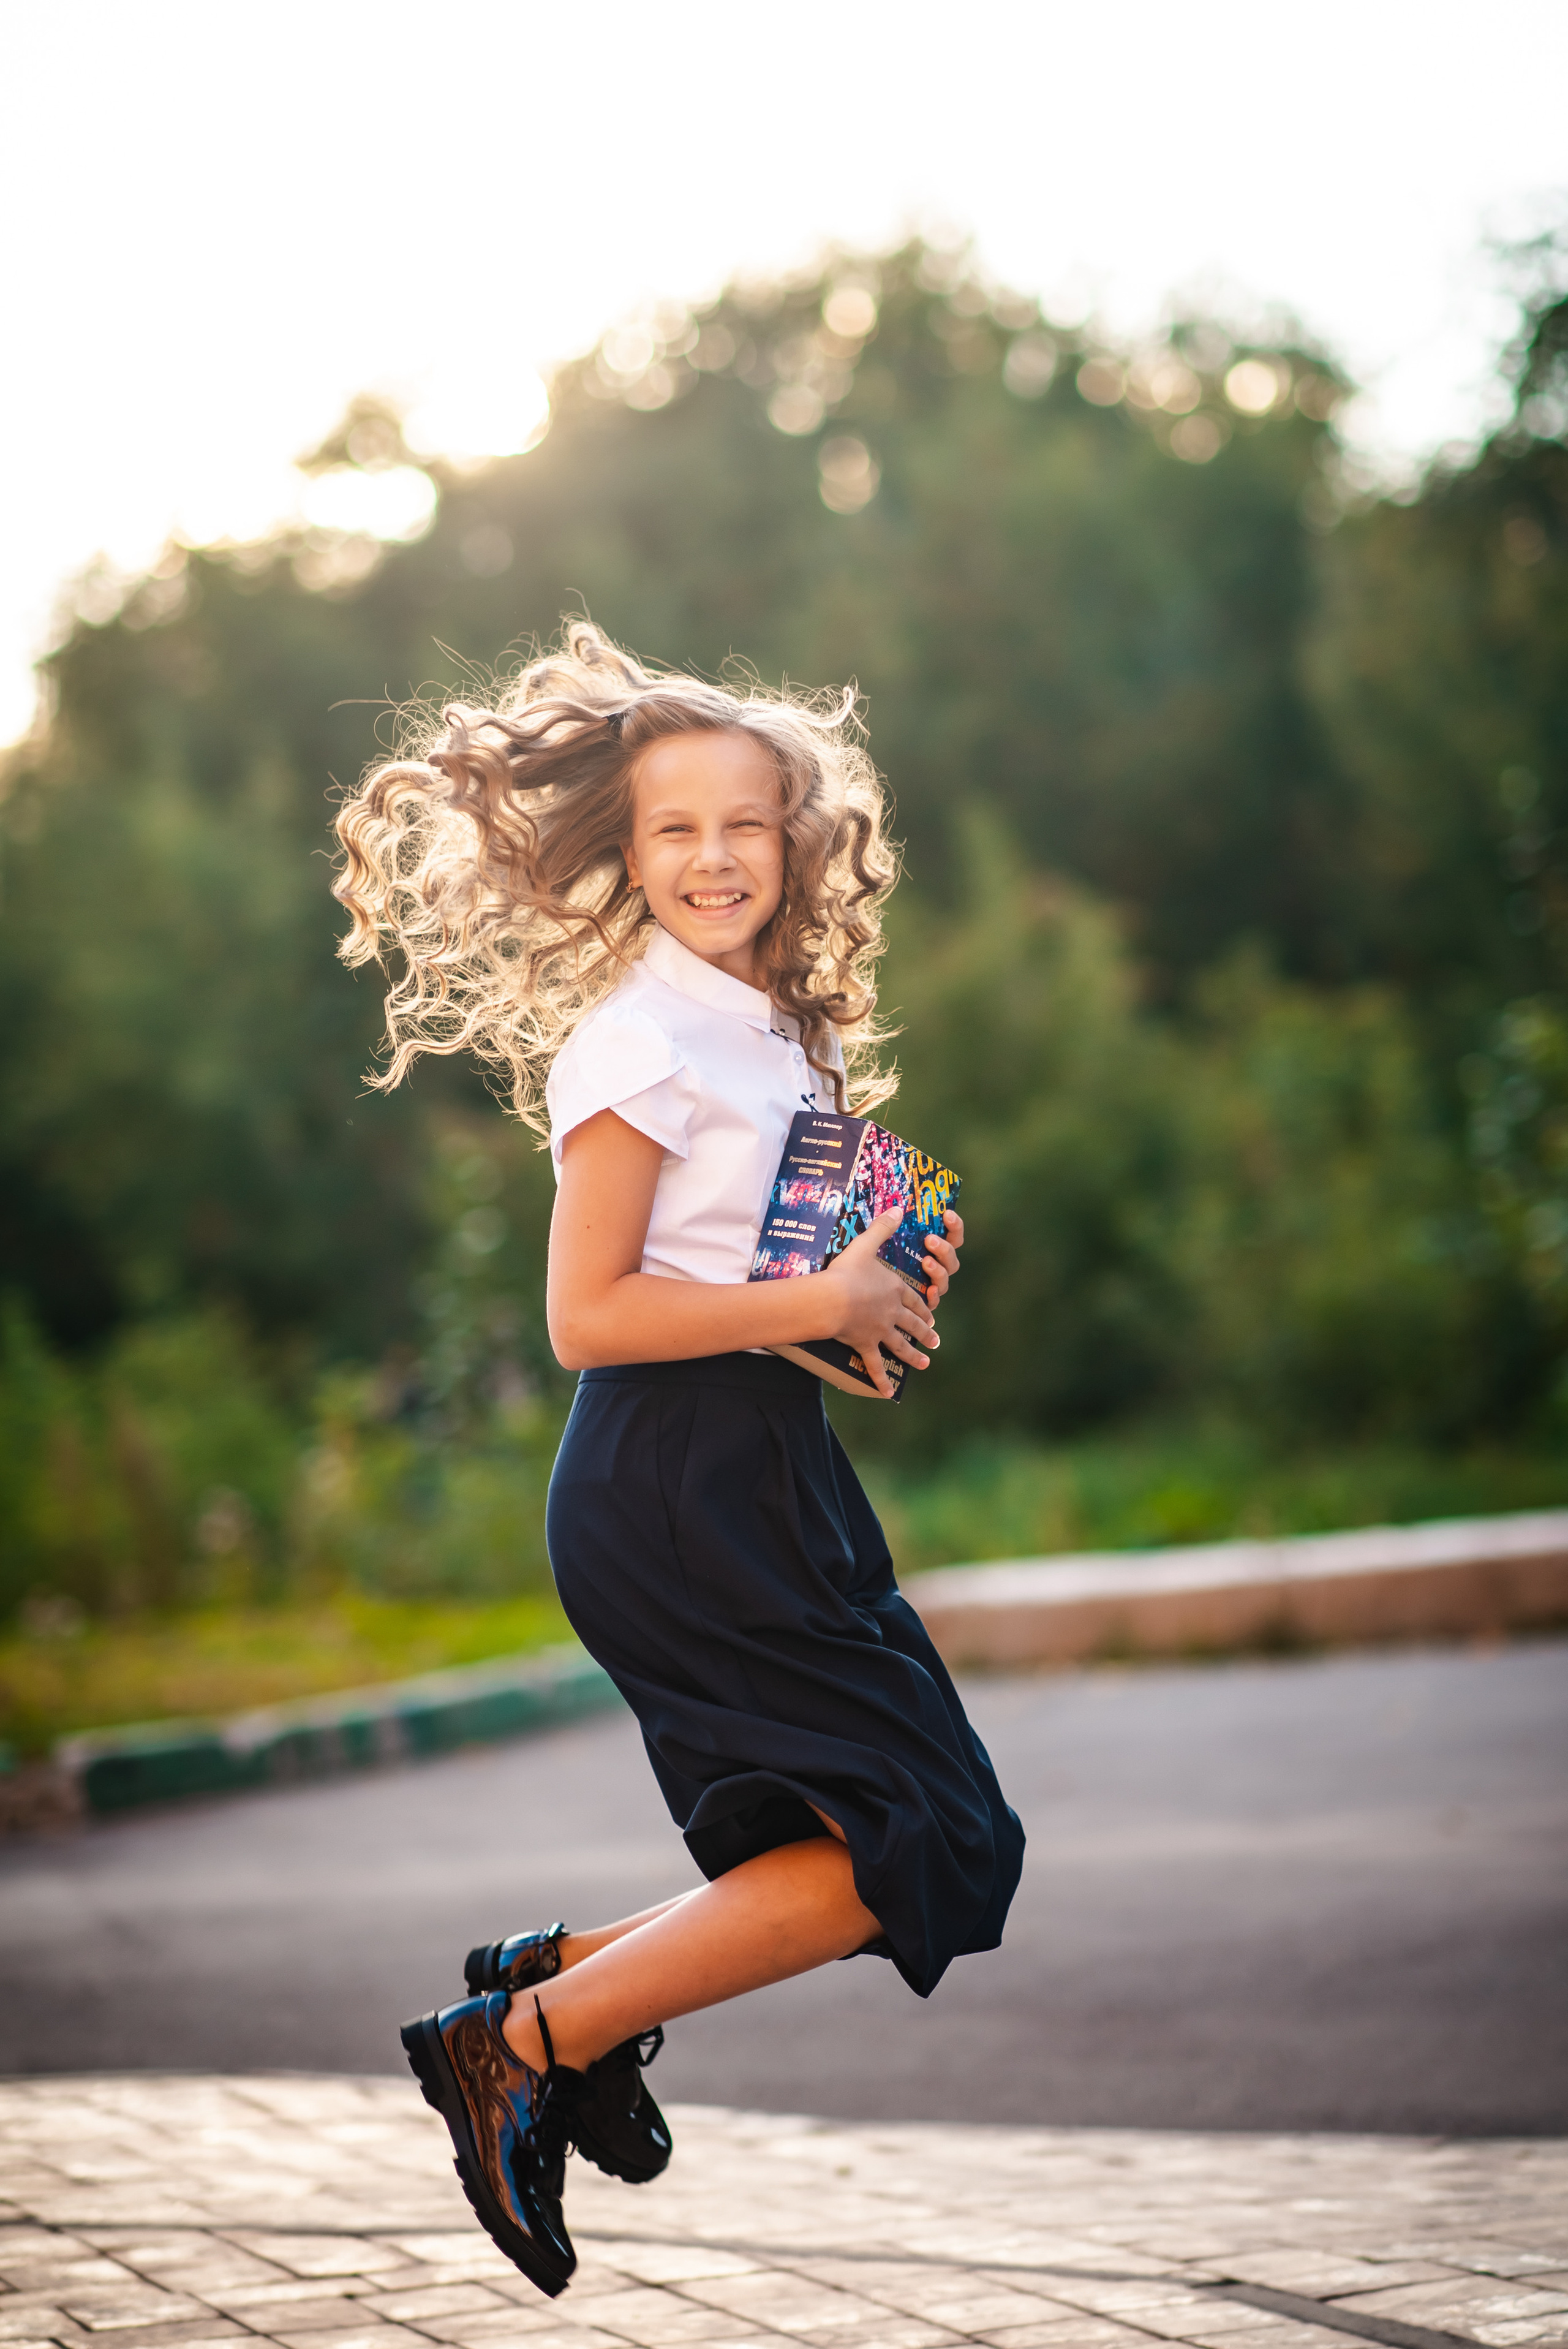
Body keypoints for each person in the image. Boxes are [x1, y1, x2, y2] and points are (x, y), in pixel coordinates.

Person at [333, 621, 1025, 2299]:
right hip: (668, 1491)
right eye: (674, 829)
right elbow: (589, 1314)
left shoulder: (773, 1028)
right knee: (909, 1841)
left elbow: (742, 1292)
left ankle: (549, 1984)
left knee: (928, 1837)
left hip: (770, 1466)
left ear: (800, 841)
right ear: (625, 856)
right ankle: (528, 2035)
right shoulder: (636, 1043)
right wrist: (809, 1294)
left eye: (744, 823)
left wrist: (864, 1303)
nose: (714, 856)